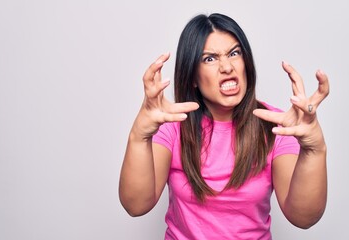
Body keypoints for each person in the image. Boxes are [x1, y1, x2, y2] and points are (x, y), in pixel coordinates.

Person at [119, 13, 329, 239]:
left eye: (234, 53)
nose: (227, 67)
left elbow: (304, 218)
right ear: (192, 76)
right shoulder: (172, 125)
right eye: (210, 58)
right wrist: (139, 135)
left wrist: (314, 149)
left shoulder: (279, 126)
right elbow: (135, 205)